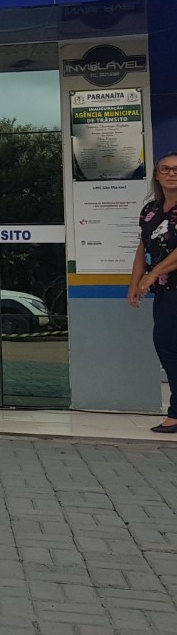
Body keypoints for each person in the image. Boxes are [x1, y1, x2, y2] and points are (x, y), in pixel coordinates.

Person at [129, 151, 177, 434]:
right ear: (157, 176)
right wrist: (135, 283)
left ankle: (176, 412)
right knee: (167, 346)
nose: (171, 173)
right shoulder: (150, 210)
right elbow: (143, 247)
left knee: (167, 345)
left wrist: (153, 273)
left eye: (176, 169)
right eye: (165, 169)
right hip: (164, 292)